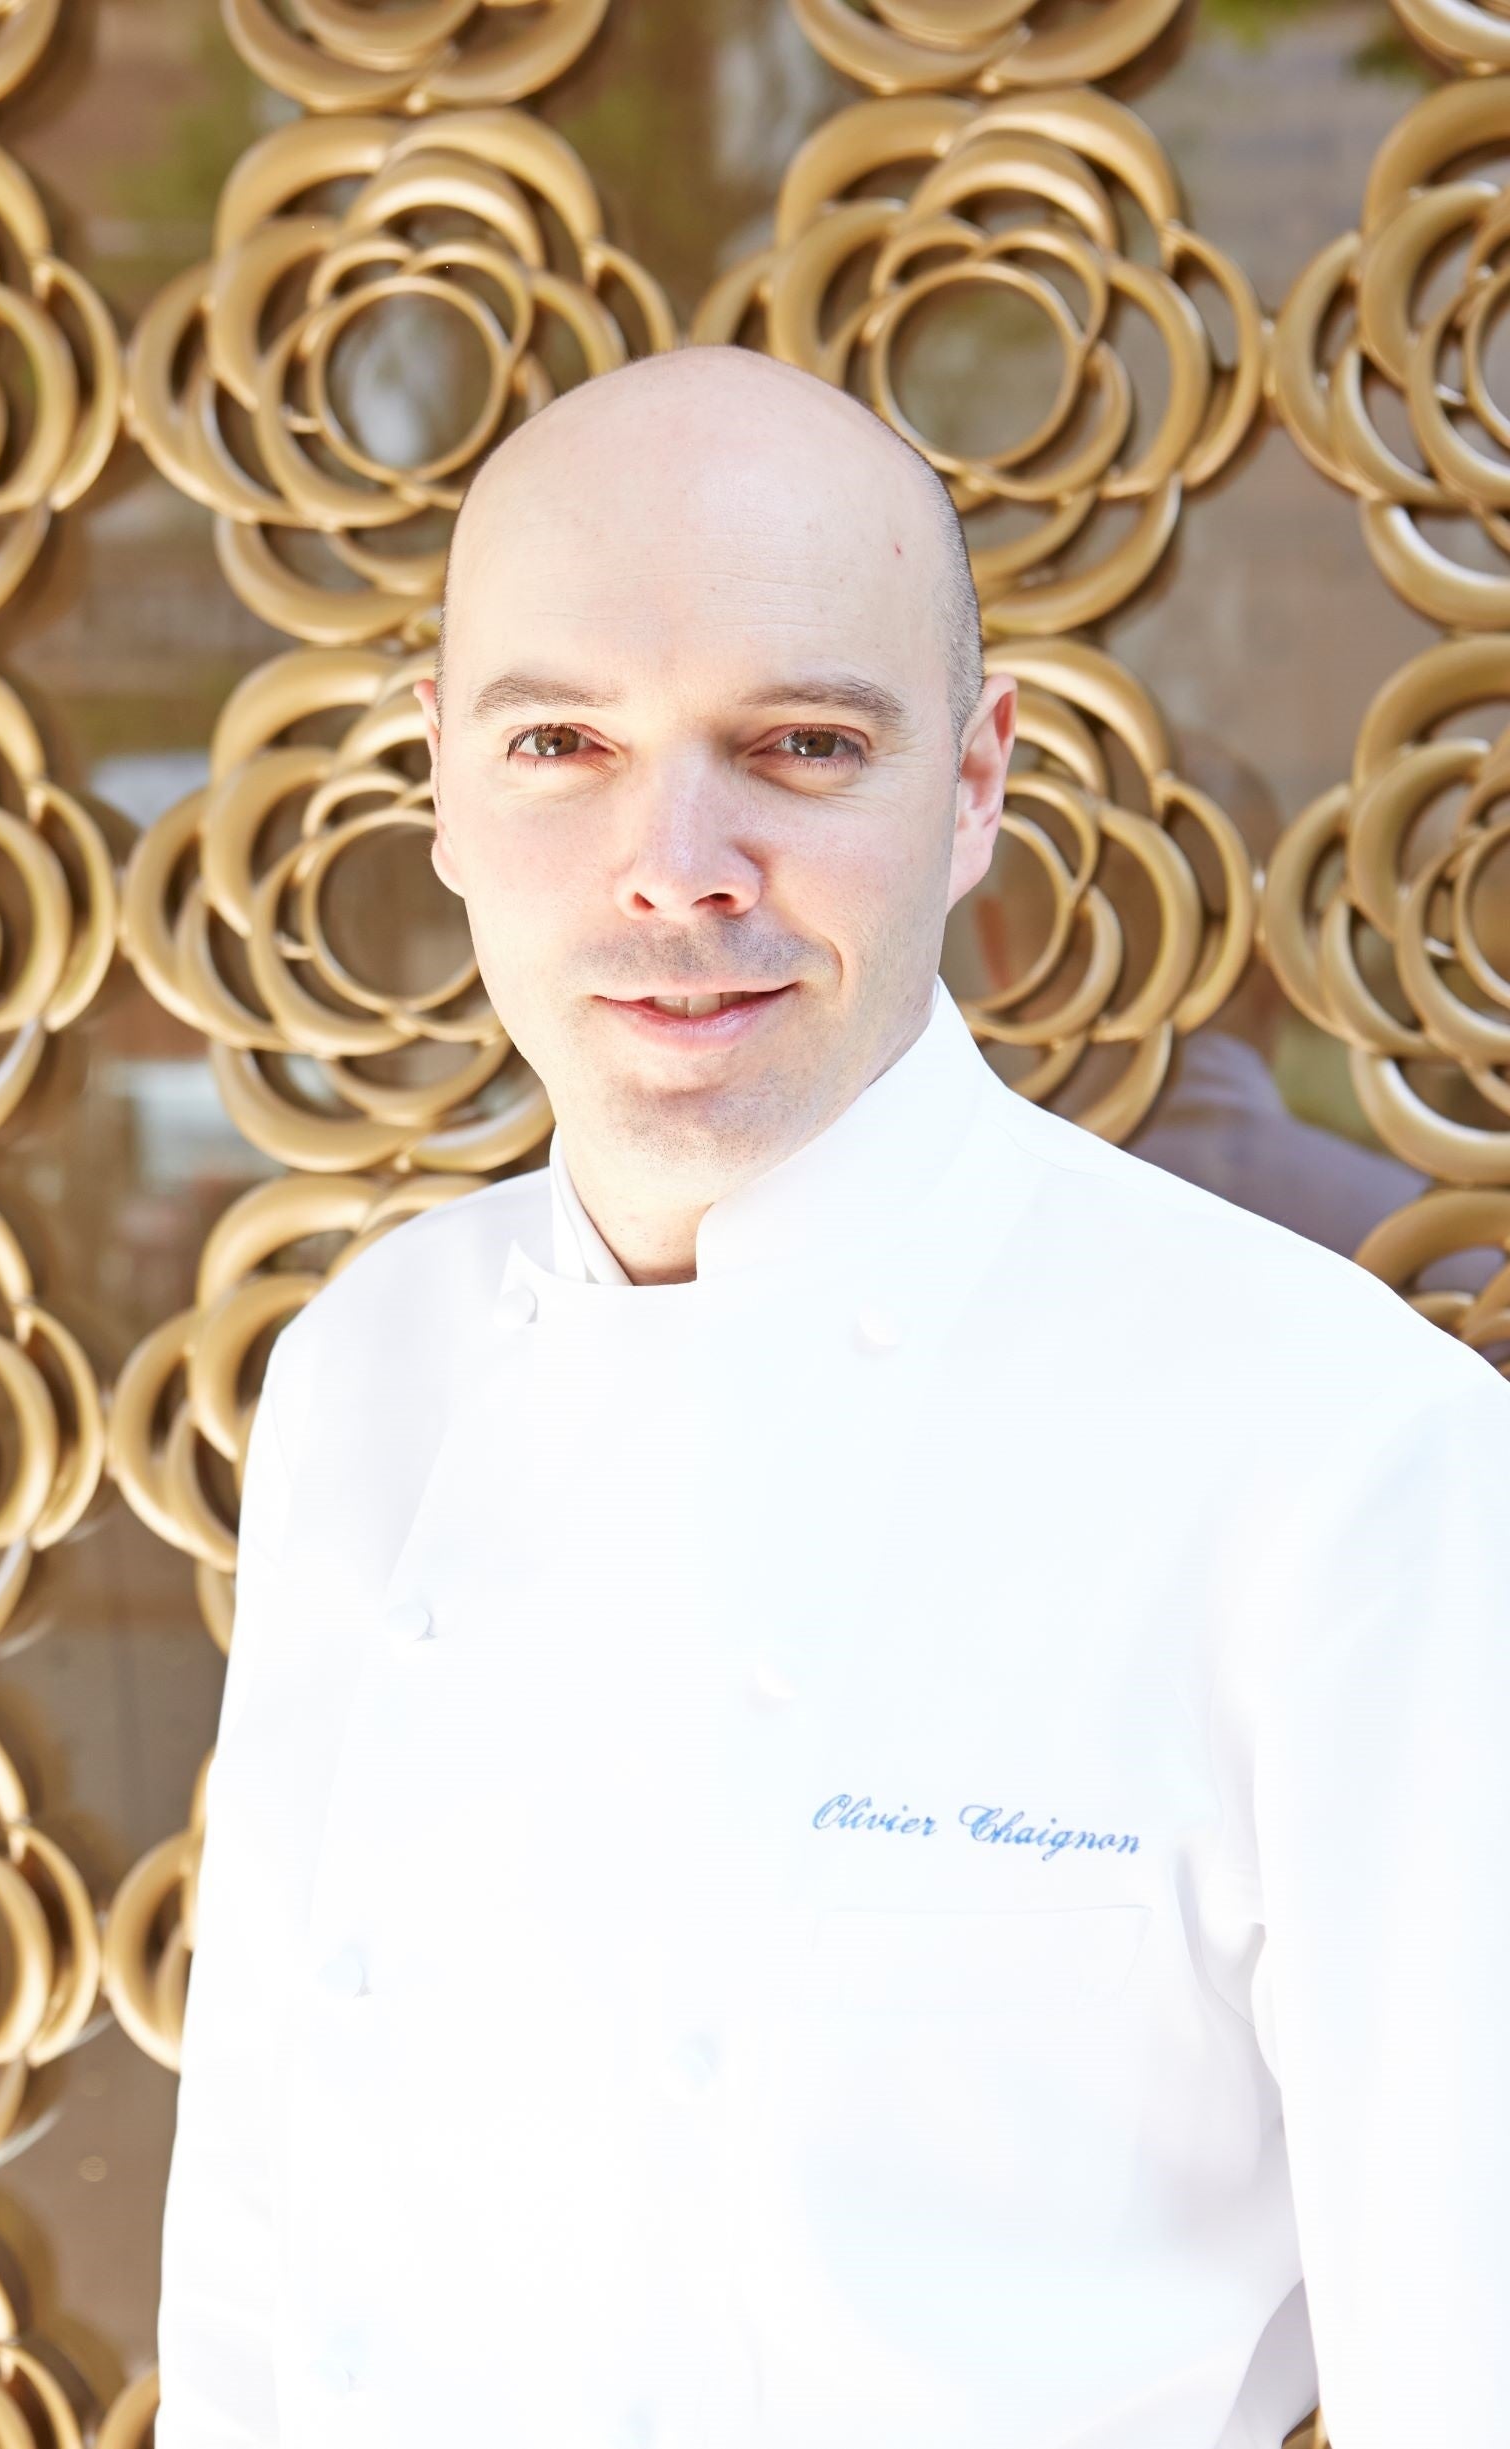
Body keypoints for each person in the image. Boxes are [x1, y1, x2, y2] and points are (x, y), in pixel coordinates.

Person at [154, 344, 1510, 2449]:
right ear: (437, 780)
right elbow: (255, 2248)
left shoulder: (1338, 1454)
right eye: (561, 743)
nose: (676, 866)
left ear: (972, 788)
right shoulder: (369, 1369)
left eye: (799, 745)